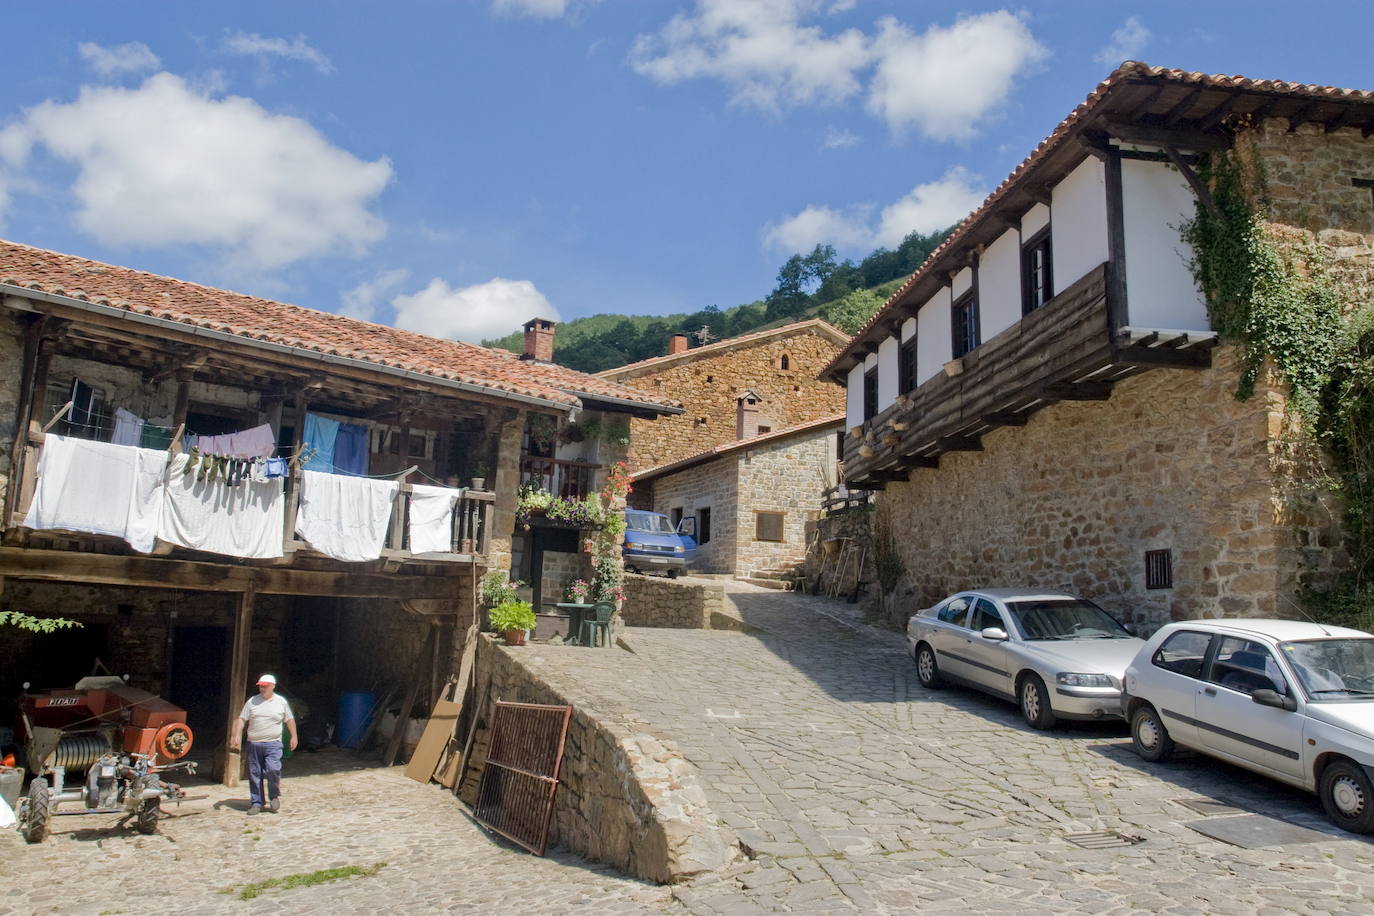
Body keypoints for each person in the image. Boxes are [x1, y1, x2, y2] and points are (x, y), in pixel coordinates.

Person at [229, 674, 297, 815]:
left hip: (273, 743)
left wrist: (294, 736)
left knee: (273, 769)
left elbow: (289, 720)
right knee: (254, 773)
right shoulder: (252, 702)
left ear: (273, 686)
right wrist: (236, 735)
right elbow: (242, 719)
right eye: (260, 686)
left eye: (265, 686)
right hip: (254, 743)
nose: (262, 688)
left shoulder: (281, 702)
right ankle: (257, 802)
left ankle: (274, 796)